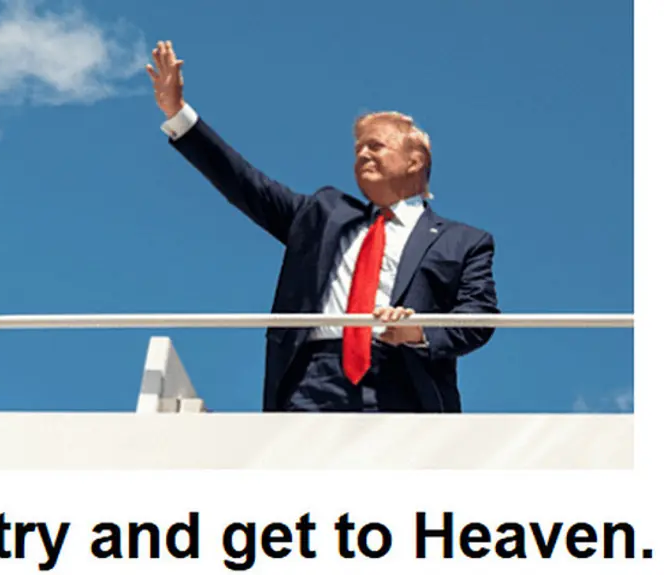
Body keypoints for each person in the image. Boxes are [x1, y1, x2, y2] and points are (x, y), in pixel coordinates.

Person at [146, 41, 499, 413]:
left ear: (415, 161)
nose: (362, 154)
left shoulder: (464, 241)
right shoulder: (322, 214)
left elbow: (478, 318)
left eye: (375, 146)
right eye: (358, 148)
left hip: (405, 381)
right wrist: (178, 115)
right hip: (313, 379)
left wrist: (418, 331)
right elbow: (245, 183)